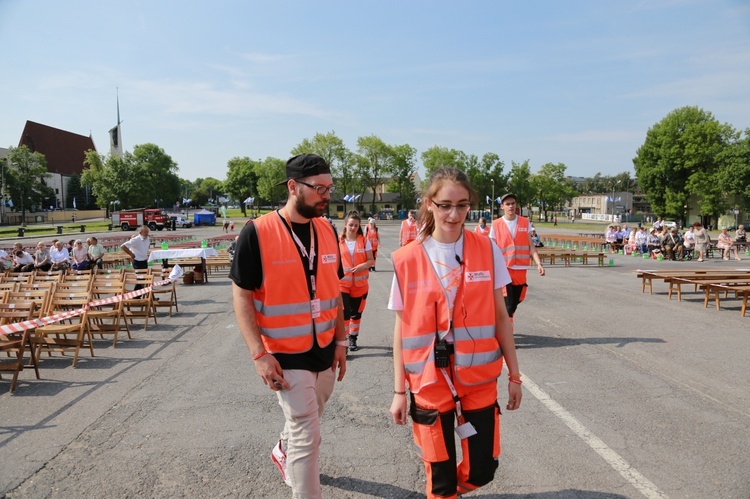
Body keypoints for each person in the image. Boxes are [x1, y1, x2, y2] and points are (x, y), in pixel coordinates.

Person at [388, 167, 521, 499]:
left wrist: (515, 375)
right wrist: (399, 392)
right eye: (445, 204)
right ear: (430, 204)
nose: (454, 213)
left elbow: (501, 319)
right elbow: (401, 330)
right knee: (441, 480)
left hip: (477, 377)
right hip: (429, 382)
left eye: (462, 205)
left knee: (482, 470)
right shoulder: (407, 259)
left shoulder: (486, 250)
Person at [230, 153, 347, 498]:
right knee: (307, 435)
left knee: (309, 419)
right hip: (284, 354)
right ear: (293, 187)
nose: (327, 195)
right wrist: (258, 355)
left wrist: (341, 342)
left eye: (330, 187)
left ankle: (283, 448)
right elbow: (241, 297)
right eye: (320, 188)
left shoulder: (327, 229)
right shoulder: (258, 232)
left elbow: (333, 289)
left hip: (324, 350)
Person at [489, 193, 545, 323]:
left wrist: (538, 263)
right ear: (502, 206)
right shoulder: (496, 224)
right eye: (507, 204)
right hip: (504, 269)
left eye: (513, 203)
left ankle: (501, 323)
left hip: (520, 269)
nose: (511, 206)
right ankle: (508, 338)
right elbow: (491, 248)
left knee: (515, 302)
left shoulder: (524, 222)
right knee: (508, 305)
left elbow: (531, 245)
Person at [339, 211, 374, 352]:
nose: (353, 228)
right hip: (342, 284)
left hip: (360, 285)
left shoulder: (364, 241)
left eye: (356, 225)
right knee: (344, 313)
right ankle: (345, 341)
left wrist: (362, 266)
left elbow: (371, 260)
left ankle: (353, 337)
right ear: (345, 225)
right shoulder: (338, 241)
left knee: (356, 314)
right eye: (351, 225)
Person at [121, 226, 151, 290]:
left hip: (144, 260)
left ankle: (136, 296)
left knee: (142, 278)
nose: (147, 234)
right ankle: (150, 295)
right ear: (140, 232)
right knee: (141, 278)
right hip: (137, 261)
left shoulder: (147, 239)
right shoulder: (136, 239)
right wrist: (131, 254)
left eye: (147, 232)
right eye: (145, 232)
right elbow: (123, 246)